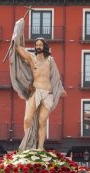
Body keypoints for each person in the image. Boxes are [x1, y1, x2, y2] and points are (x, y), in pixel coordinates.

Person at [10, 17, 66, 150]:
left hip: (47, 94)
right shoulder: (31, 58)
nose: (38, 46)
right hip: (35, 91)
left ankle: (40, 147)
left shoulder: (50, 60)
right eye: (37, 45)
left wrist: (60, 89)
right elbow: (17, 47)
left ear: (44, 46)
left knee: (42, 121)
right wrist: (19, 26)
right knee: (27, 119)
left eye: (40, 45)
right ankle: (29, 144)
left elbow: (55, 77)